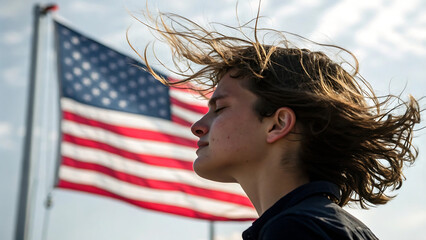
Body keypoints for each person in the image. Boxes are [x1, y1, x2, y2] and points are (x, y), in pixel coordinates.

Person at [131, 6, 421, 240]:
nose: (198, 126)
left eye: (219, 109)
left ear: (277, 124)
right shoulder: (324, 223)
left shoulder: (295, 229)